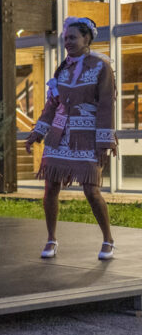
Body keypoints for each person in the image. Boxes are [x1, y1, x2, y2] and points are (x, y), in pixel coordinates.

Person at [25, 17, 117, 260]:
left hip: (86, 138)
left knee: (91, 190)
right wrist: (37, 133)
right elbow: (52, 105)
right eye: (66, 38)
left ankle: (108, 238)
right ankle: (51, 238)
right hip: (58, 137)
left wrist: (105, 142)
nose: (68, 42)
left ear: (87, 39)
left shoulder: (101, 66)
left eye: (73, 37)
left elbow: (107, 105)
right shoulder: (62, 69)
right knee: (50, 189)